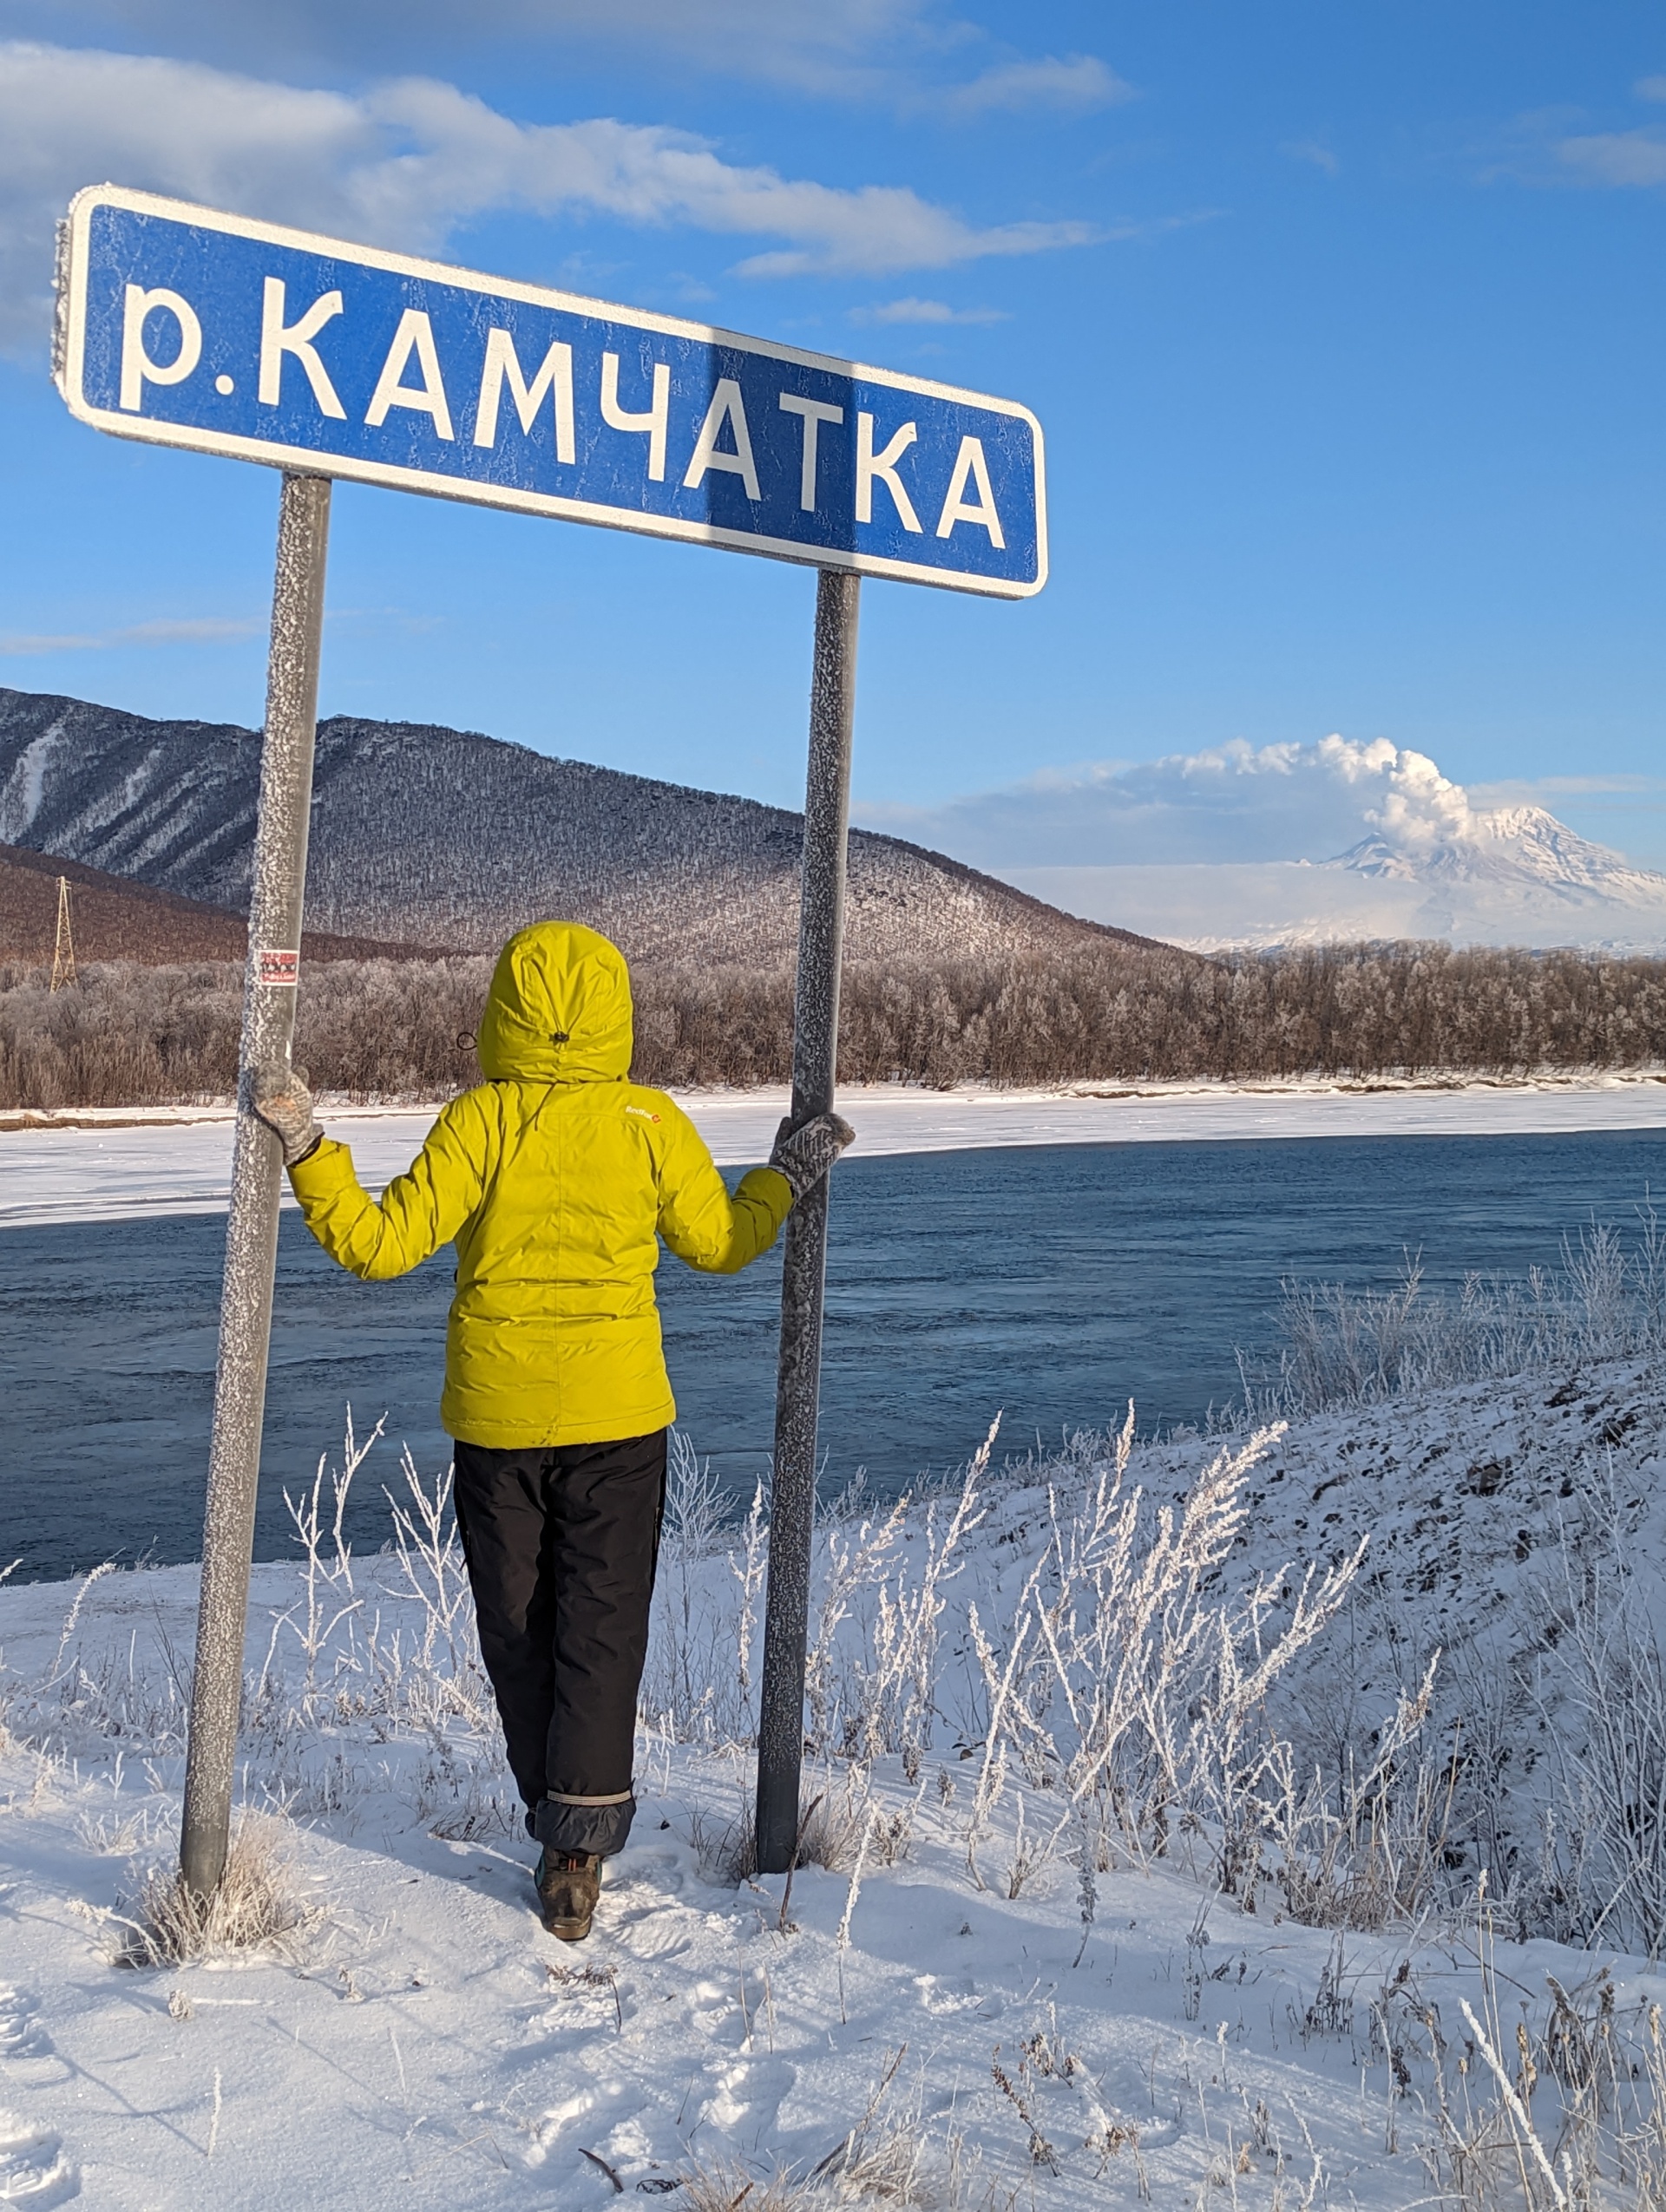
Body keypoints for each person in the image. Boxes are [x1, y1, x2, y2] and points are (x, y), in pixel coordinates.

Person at [251, 918, 853, 1941]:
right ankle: (576, 1843)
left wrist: (307, 1145)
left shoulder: (479, 1122)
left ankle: (558, 1821)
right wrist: (785, 1181)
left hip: (497, 1422)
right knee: (602, 1628)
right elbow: (718, 1244)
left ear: (505, 1011)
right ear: (616, 1012)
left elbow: (378, 1246)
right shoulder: (647, 1122)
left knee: (517, 1625)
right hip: (620, 1421)